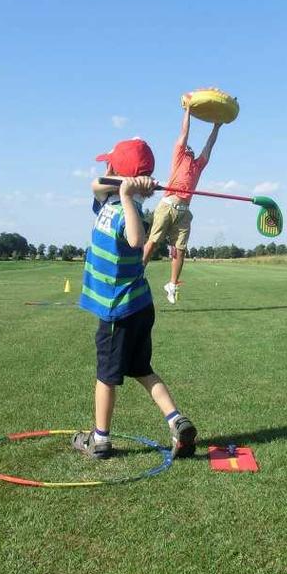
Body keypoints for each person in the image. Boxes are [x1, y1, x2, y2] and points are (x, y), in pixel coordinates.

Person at [74, 138, 198, 459]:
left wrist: (130, 195)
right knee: (142, 370)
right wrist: (130, 185)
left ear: (116, 168)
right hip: (137, 306)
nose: (104, 168)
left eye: (109, 164)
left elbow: (136, 239)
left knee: (106, 375)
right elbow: (96, 183)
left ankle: (100, 440)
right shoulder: (104, 200)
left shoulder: (126, 212)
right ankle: (177, 421)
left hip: (120, 311)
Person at [142, 106, 222, 304]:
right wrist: (187, 111)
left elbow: (209, 146)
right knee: (152, 242)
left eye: (190, 149)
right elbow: (184, 133)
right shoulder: (178, 157)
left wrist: (216, 127)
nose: (189, 148)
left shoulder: (198, 165)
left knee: (180, 249)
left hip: (184, 212)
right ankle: (136, 274)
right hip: (168, 205)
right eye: (187, 147)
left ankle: (172, 284)